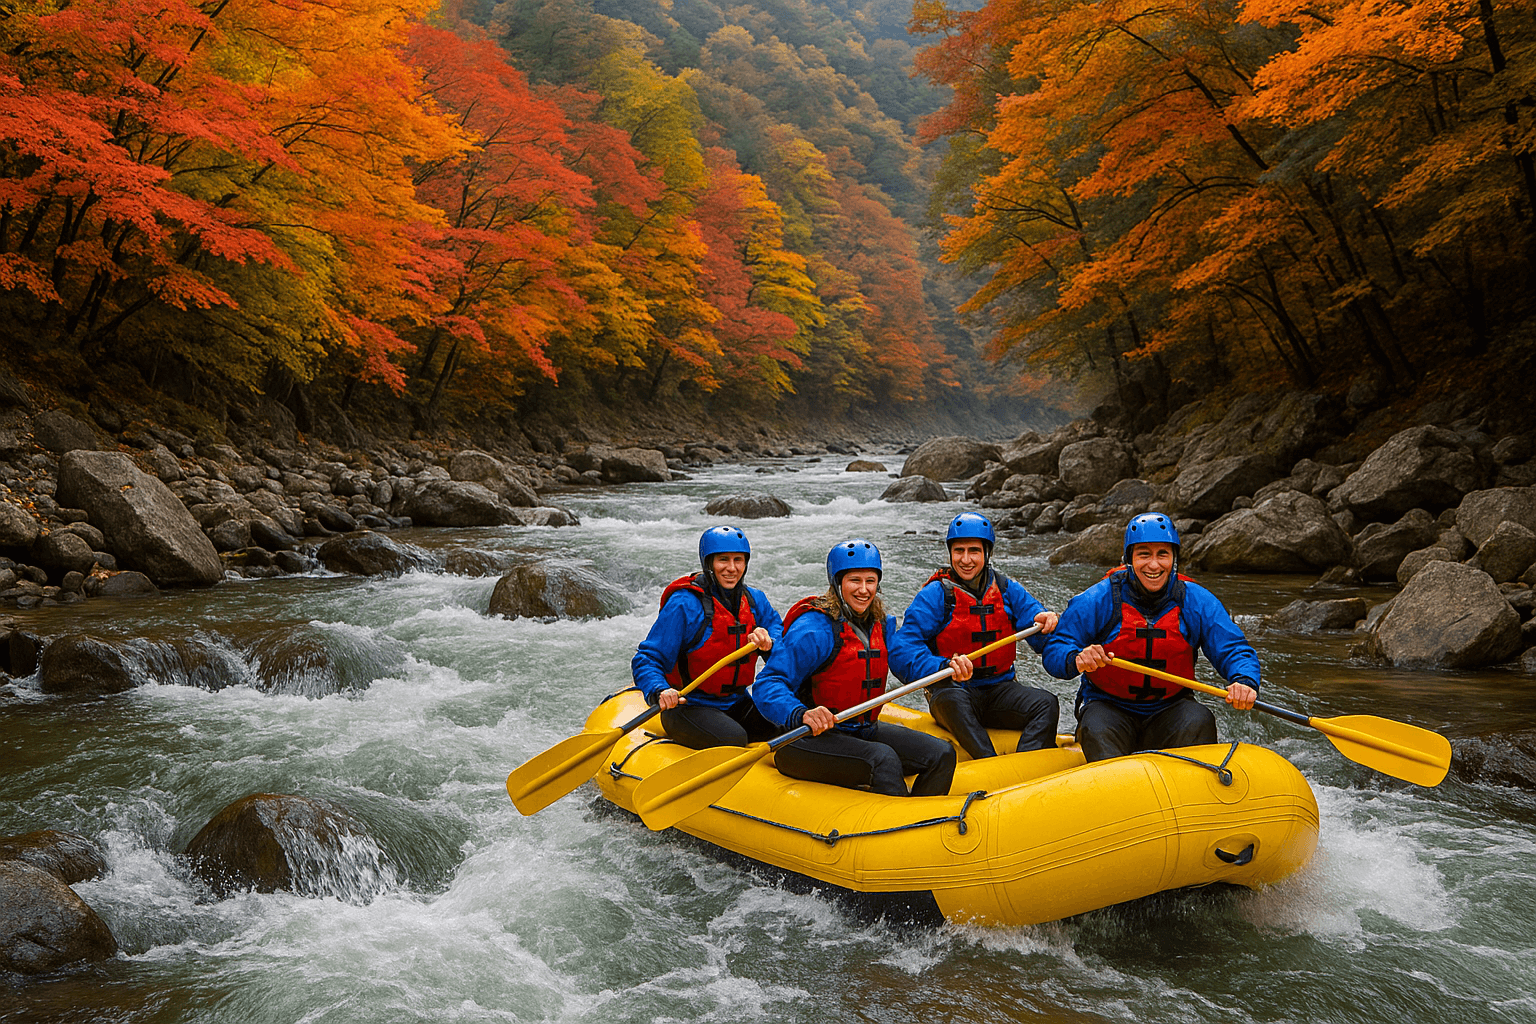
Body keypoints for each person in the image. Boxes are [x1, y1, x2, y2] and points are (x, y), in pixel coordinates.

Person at [1042, 512, 1260, 763]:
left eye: (1162, 554)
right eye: (1144, 554)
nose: (1154, 565)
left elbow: (1233, 648)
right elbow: (1056, 648)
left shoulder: (1196, 600)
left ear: (1173, 559)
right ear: (1129, 560)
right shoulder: (1098, 599)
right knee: (1096, 727)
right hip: (1109, 707)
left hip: (1170, 708)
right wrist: (1077, 658)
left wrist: (1244, 680)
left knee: (1199, 719)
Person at [751, 539, 956, 797]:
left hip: (862, 731)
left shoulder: (881, 623)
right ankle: (899, 826)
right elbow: (768, 684)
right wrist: (801, 713)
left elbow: (907, 658)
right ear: (838, 583)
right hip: (804, 740)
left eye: (870, 581)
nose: (864, 589)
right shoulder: (814, 629)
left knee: (942, 754)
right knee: (883, 759)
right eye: (854, 581)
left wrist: (944, 665)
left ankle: (926, 823)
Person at [889, 512, 1061, 758]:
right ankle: (988, 763)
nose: (966, 559)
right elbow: (901, 648)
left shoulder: (1006, 589)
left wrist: (1047, 622)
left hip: (999, 689)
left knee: (1047, 703)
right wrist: (942, 665)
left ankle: (1025, 765)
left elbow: (1036, 622)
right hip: (953, 691)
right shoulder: (937, 595)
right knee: (953, 700)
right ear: (950, 553)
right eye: (959, 551)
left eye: (974, 551)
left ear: (986, 554)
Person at [631, 526, 781, 749]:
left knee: (785, 727)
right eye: (723, 560)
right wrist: (659, 690)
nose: (732, 568)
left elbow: (781, 639)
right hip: (687, 705)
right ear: (709, 562)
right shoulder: (685, 604)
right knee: (733, 739)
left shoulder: (754, 600)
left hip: (737, 701)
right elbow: (647, 659)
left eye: (738, 560)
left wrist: (770, 642)